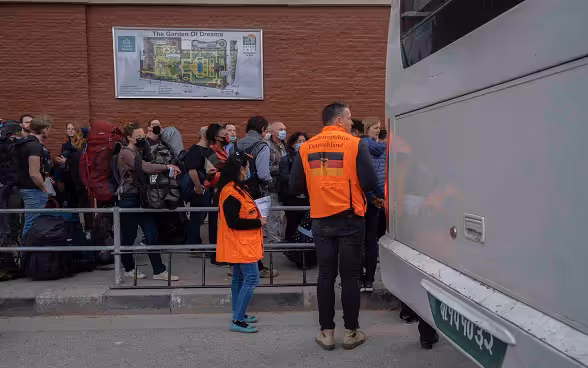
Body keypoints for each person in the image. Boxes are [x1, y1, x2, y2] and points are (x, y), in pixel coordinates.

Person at [290, 102, 377, 351]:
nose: (352, 123)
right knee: (350, 276)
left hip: (321, 218)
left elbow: (295, 185)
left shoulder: (306, 147)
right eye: (349, 118)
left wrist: (319, 188)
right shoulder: (355, 143)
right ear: (339, 120)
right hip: (350, 218)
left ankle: (326, 333)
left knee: (325, 275)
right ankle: (351, 332)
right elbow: (369, 181)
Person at [117, 122, 181, 281]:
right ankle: (129, 268)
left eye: (142, 135)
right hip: (129, 198)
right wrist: (167, 167)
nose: (141, 138)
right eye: (138, 136)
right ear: (129, 138)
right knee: (129, 236)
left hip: (142, 197)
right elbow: (145, 167)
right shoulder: (126, 152)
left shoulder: (141, 150)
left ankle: (159, 270)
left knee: (152, 233)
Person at [216, 151, 266, 333]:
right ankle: (237, 320)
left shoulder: (237, 188)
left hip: (243, 243)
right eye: (246, 168)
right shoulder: (231, 192)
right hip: (241, 244)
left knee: (238, 278)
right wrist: (258, 222)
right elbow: (234, 221)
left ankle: (239, 313)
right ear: (239, 169)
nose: (248, 171)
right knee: (251, 279)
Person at [236, 116, 278, 278]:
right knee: (255, 230)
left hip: (235, 190)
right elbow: (263, 174)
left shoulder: (235, 145)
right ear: (262, 130)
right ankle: (257, 267)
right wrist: (271, 184)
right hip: (254, 193)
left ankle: (238, 265)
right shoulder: (262, 146)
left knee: (239, 228)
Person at [14, 115, 53, 239]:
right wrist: (43, 188)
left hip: (22, 186)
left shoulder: (23, 142)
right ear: (43, 129)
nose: (49, 131)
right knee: (32, 223)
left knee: (29, 222)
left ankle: (28, 252)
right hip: (32, 189)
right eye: (49, 128)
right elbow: (34, 173)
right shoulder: (35, 145)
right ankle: (28, 254)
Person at [359, 118, 386, 293]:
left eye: (379, 128)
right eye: (375, 128)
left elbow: (362, 175)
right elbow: (379, 174)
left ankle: (363, 278)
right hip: (376, 198)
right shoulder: (383, 149)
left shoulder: (361, 147)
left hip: (365, 197)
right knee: (371, 240)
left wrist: (371, 195)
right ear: (368, 128)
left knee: (363, 240)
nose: (378, 130)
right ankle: (369, 280)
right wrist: (379, 196)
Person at [203, 123, 229, 265]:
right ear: (215, 137)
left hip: (224, 191)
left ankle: (222, 253)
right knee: (216, 224)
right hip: (216, 192)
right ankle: (216, 256)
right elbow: (213, 173)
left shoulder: (223, 150)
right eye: (224, 135)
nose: (227, 137)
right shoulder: (211, 152)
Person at [279, 132, 309, 242]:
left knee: (305, 224)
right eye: (299, 141)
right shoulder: (286, 159)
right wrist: (299, 179)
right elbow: (284, 177)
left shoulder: (310, 158)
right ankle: (290, 247)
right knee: (292, 224)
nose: (302, 143)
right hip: (291, 198)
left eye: (304, 141)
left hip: (306, 197)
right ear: (292, 144)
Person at [184, 126, 211, 251]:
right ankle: (193, 244)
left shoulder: (208, 150)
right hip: (200, 188)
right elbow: (192, 169)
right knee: (197, 216)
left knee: (201, 215)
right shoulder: (196, 150)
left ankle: (194, 242)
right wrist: (198, 187)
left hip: (206, 187)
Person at [265, 121, 287, 243]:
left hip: (284, 184)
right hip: (272, 185)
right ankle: (273, 240)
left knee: (281, 214)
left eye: (284, 129)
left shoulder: (285, 145)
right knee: (273, 213)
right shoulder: (267, 145)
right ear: (272, 131)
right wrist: (282, 169)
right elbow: (265, 166)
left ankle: (280, 236)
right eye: (280, 129)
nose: (283, 131)